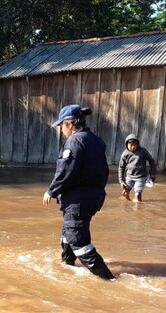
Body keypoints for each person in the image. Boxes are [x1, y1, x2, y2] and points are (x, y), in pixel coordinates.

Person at [43, 104, 114, 280]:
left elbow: (66, 170)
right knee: (68, 233)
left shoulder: (75, 141)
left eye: (61, 125)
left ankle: (109, 280)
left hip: (78, 200)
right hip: (92, 197)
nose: (61, 129)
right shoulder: (95, 140)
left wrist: (51, 191)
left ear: (70, 124)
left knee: (78, 240)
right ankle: (67, 267)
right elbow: (104, 171)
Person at [119, 134, 157, 202]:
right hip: (129, 177)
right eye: (131, 145)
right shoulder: (125, 153)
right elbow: (121, 167)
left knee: (138, 195)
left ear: (138, 144)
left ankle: (137, 205)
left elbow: (151, 161)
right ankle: (127, 204)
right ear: (127, 144)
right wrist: (121, 180)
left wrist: (152, 174)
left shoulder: (143, 151)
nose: (133, 147)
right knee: (125, 193)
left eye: (135, 144)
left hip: (140, 177)